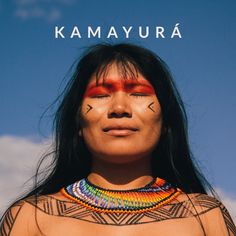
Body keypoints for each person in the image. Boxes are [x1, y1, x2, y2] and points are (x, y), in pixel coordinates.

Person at [0, 43, 235, 236]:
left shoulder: (205, 216)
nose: (119, 108)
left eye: (139, 93)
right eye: (100, 95)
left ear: (166, 122)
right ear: (77, 123)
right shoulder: (31, 216)